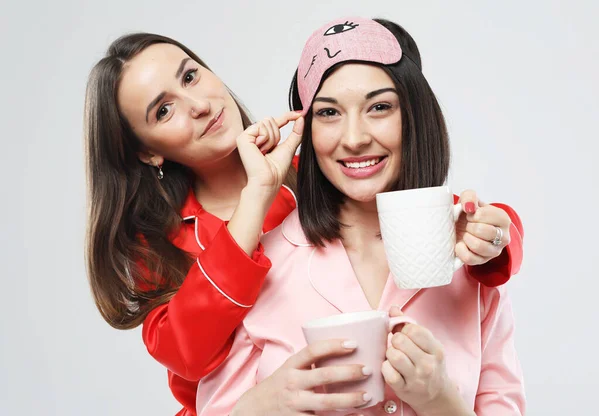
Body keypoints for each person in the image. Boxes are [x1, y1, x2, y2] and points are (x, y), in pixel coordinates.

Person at [84, 31, 523, 415]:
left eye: (190, 76)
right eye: (163, 110)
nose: (197, 105)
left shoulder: (319, 166)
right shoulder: (162, 247)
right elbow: (185, 355)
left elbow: (425, 211)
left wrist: (494, 237)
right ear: (146, 151)